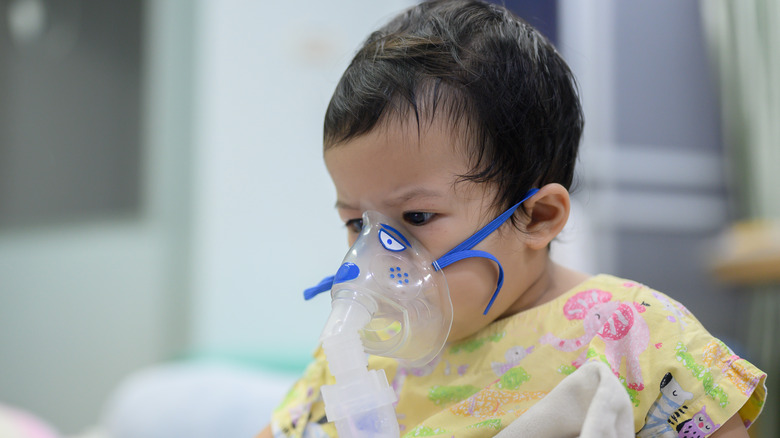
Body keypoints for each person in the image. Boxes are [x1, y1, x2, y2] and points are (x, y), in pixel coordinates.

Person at [258, 1, 767, 436]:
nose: (371, 256)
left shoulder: (632, 337)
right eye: (356, 223)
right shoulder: (357, 363)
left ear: (537, 217)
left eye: (416, 215)